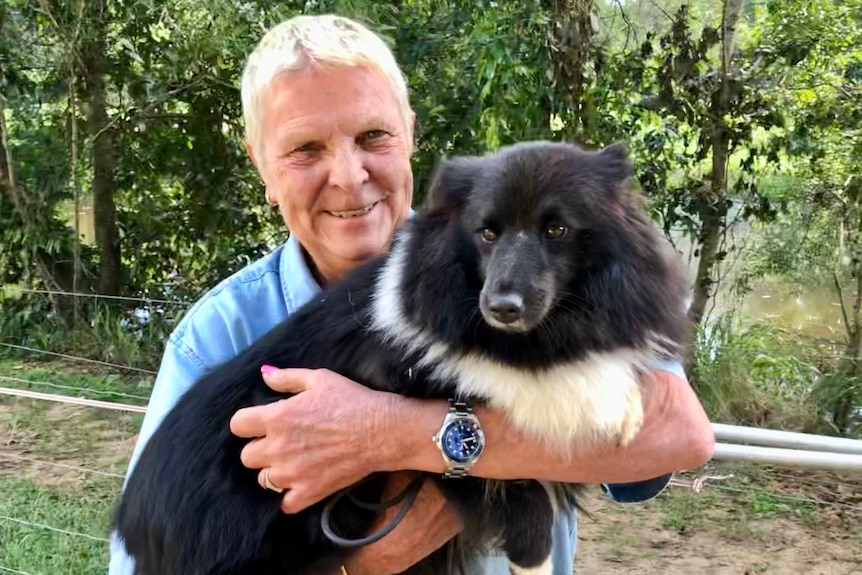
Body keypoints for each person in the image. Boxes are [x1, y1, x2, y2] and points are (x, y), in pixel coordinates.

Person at [109, 13, 715, 575]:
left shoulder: (563, 272)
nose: (348, 176)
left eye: (373, 136)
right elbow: (149, 554)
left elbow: (677, 435)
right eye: (305, 149)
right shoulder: (217, 335)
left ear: (409, 138)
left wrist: (393, 432)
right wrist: (358, 564)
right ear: (263, 168)